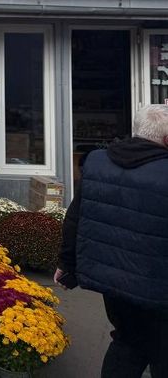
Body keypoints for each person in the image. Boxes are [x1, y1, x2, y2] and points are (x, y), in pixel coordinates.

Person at [56, 104, 168, 377]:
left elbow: (75, 216)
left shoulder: (97, 161)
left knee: (128, 342)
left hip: (113, 284)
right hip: (158, 289)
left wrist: (66, 264)